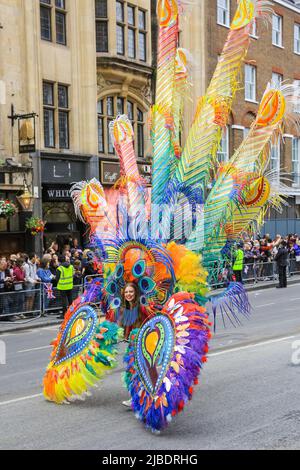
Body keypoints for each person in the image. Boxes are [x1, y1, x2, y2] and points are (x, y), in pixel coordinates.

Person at [118, 282, 148, 408]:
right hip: (132, 345)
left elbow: (150, 322)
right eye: (126, 292)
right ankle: (138, 398)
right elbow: (123, 328)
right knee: (133, 371)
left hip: (143, 345)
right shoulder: (126, 309)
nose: (128, 294)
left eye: (131, 292)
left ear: (135, 293)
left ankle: (140, 399)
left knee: (139, 371)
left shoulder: (141, 308)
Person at [56, 254, 74, 319]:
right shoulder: (71, 266)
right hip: (70, 285)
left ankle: (64, 314)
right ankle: (72, 313)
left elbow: (57, 278)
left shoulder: (59, 268)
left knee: (64, 300)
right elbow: (73, 274)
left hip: (62, 286)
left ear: (59, 260)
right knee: (70, 300)